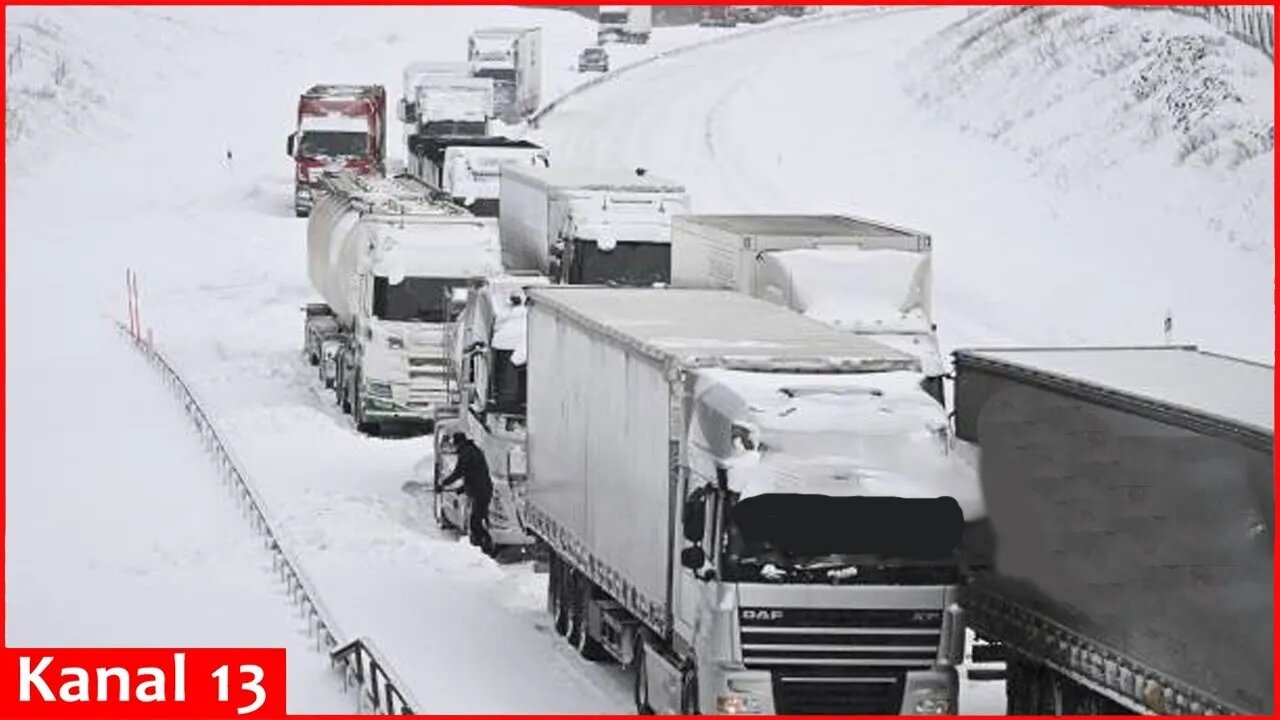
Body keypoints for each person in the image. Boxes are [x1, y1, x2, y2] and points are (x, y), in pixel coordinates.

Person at [437, 432, 494, 555]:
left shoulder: (466, 453)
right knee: (478, 519)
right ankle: (484, 545)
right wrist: (463, 488)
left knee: (475, 521)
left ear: (459, 443)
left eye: (455, 445)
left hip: (481, 492)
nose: (455, 447)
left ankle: (484, 548)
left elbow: (459, 472)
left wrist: (443, 484)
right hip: (482, 489)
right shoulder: (472, 450)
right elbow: (472, 474)